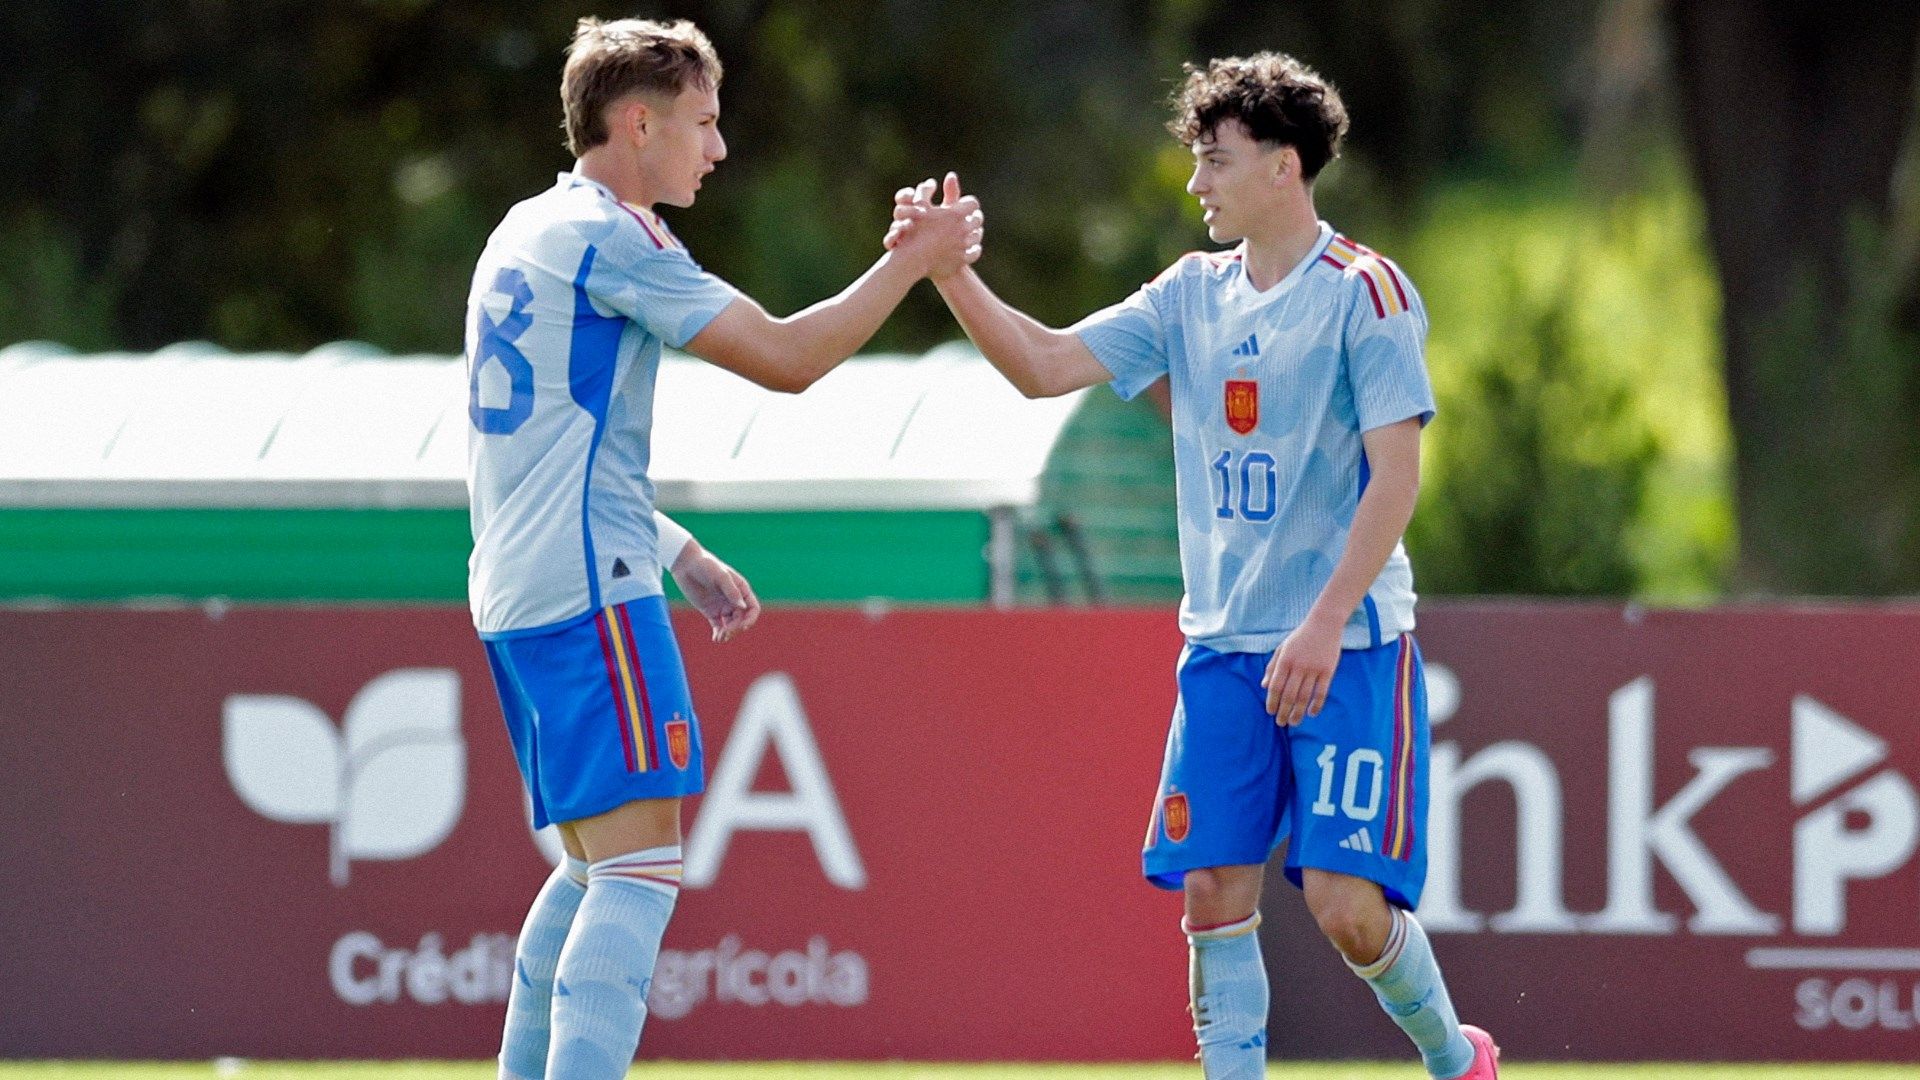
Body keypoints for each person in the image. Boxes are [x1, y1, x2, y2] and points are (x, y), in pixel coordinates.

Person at [889, 52, 1497, 1080]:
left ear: (1285, 167)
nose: (1196, 185)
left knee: (1349, 912)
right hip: (1221, 651)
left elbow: (1397, 479)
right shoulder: (1187, 295)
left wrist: (1320, 621)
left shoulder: (1367, 292)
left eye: (1215, 161)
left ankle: (1454, 1058)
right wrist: (949, 272)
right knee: (1213, 892)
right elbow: (1042, 367)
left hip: (1345, 644)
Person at [465, 17, 981, 1080]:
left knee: (591, 863)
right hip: (585, 588)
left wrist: (673, 546)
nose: (718, 147)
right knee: (642, 868)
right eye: (703, 122)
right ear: (638, 121)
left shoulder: (524, 229)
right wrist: (912, 264)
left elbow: (543, 442)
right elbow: (790, 359)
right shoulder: (619, 235)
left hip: (518, 585)